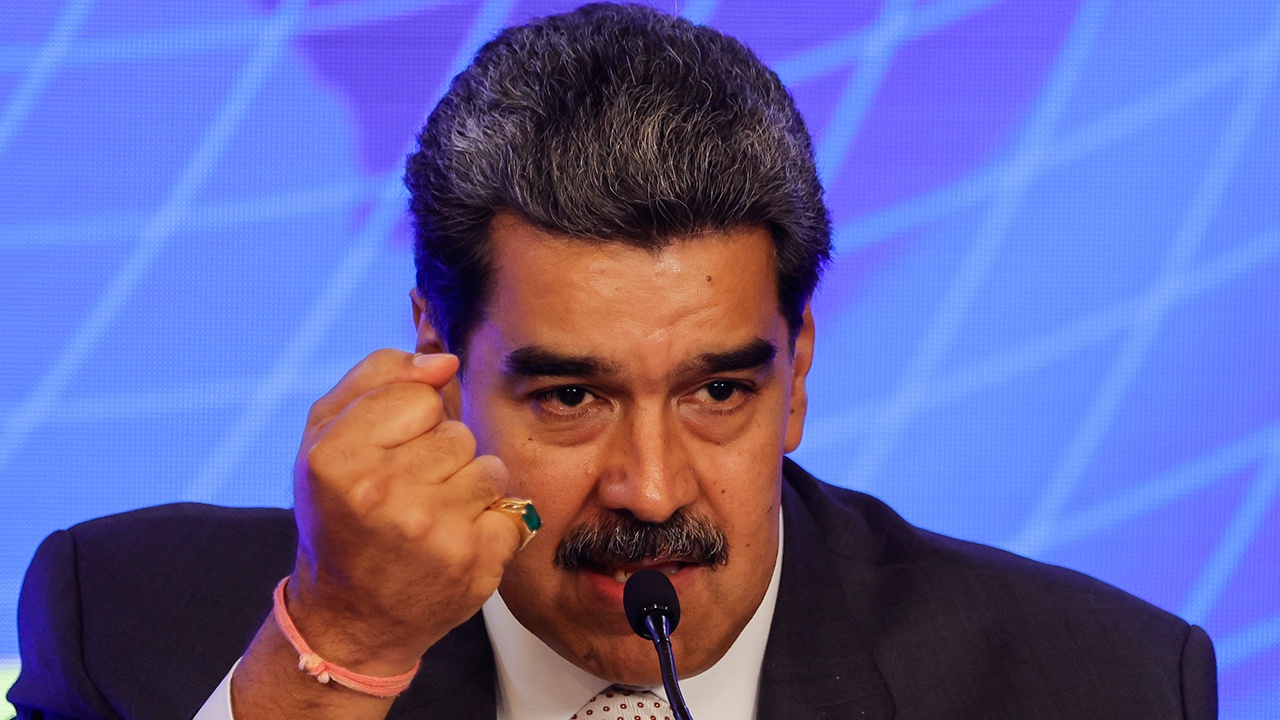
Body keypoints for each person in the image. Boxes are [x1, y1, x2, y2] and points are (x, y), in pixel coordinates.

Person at [9, 4, 1217, 719]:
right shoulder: (130, 624)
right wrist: (341, 654)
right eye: (570, 395)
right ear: (438, 357)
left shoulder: (1097, 687)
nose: (648, 488)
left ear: (797, 369)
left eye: (718, 391)